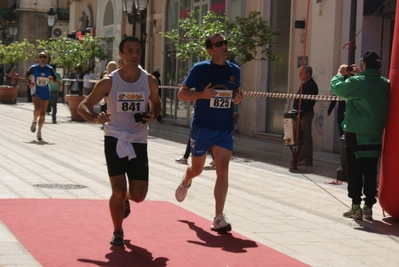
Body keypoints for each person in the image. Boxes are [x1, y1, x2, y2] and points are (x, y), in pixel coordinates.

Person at [77, 36, 162, 246]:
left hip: (138, 139)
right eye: (130, 51)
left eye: (138, 51)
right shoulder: (109, 81)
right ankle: (117, 230)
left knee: (139, 195)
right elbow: (83, 106)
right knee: (118, 189)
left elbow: (157, 104)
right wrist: (96, 116)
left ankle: (126, 200)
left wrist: (153, 113)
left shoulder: (149, 80)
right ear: (121, 55)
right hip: (114, 137)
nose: (135, 55)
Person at [174, 33, 244, 232]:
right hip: (203, 126)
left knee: (223, 172)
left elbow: (236, 92)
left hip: (223, 128)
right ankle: (186, 181)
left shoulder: (235, 70)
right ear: (210, 50)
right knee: (196, 170)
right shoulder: (200, 69)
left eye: (226, 42)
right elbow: (181, 93)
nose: (224, 45)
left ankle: (218, 217)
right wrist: (201, 94)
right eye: (219, 43)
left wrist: (238, 97)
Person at [331, 50, 389, 220]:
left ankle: (356, 206)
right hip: (376, 133)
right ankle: (369, 206)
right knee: (371, 171)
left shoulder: (358, 82)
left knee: (355, 170)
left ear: (364, 64)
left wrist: (339, 74)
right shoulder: (385, 83)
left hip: (356, 132)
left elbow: (338, 89)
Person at [25, 52, 57, 141]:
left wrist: (51, 80)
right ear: (38, 58)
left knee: (43, 114)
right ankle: (34, 120)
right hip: (35, 91)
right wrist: (29, 83)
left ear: (46, 59)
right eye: (40, 57)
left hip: (46, 92)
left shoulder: (50, 69)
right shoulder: (33, 68)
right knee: (38, 108)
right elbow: (26, 75)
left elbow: (55, 81)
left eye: (44, 57)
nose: (42, 58)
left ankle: (39, 131)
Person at [293, 65, 318, 166]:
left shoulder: (311, 85)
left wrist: (302, 110)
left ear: (308, 74)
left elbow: (309, 102)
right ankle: (301, 156)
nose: (299, 74)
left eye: (301, 73)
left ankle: (308, 158)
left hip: (306, 114)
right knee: (300, 136)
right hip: (301, 113)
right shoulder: (304, 84)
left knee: (306, 136)